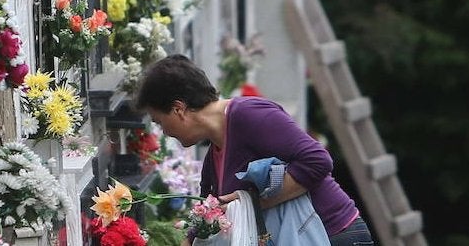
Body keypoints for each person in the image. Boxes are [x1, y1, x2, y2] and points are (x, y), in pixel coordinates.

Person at [135, 54, 374, 246]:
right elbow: (215, 211)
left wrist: (248, 201)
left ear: (179, 109)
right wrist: (188, 234)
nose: (163, 131)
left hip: (333, 234)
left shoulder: (249, 115)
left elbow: (318, 161)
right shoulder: (214, 158)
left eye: (158, 121)